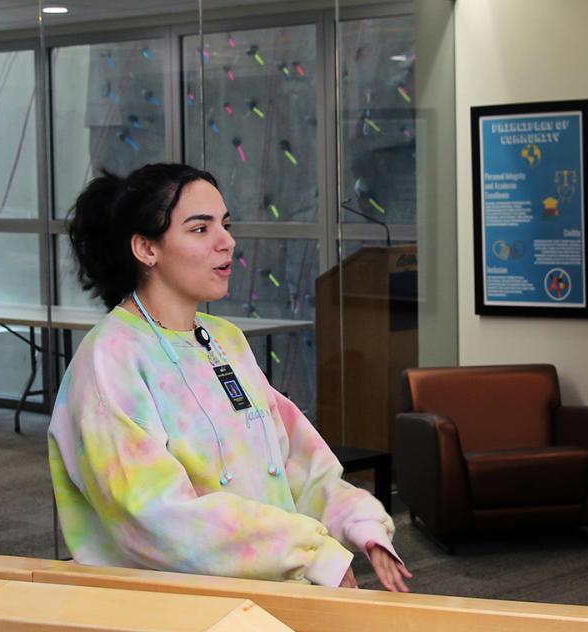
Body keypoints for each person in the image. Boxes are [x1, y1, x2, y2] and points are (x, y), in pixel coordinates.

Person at [48, 163, 411, 591]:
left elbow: (293, 461)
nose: (227, 242)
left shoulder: (224, 340)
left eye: (226, 224)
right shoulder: (110, 359)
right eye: (200, 229)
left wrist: (358, 521)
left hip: (271, 592)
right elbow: (153, 516)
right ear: (146, 248)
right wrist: (308, 553)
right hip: (182, 606)